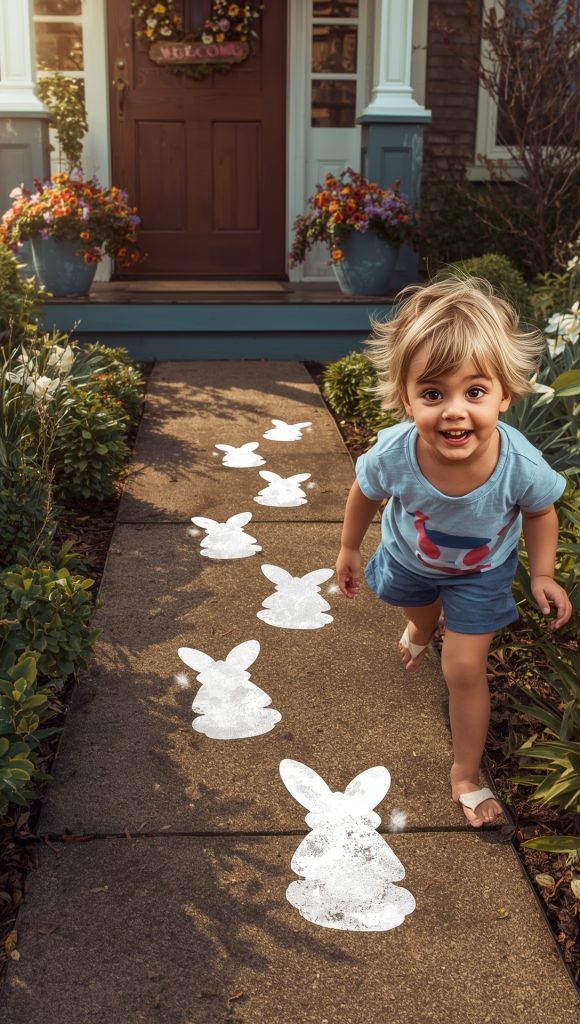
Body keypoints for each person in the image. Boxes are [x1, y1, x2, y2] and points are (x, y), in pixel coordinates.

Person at [335, 276, 573, 828]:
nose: (454, 412)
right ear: (406, 397)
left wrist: (542, 573)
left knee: (464, 667)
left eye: (475, 392)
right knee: (417, 612)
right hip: (406, 560)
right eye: (433, 394)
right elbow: (366, 492)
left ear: (504, 394)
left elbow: (541, 513)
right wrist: (349, 546)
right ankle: (421, 628)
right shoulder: (396, 452)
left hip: (481, 575)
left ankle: (465, 774)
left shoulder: (521, 465)